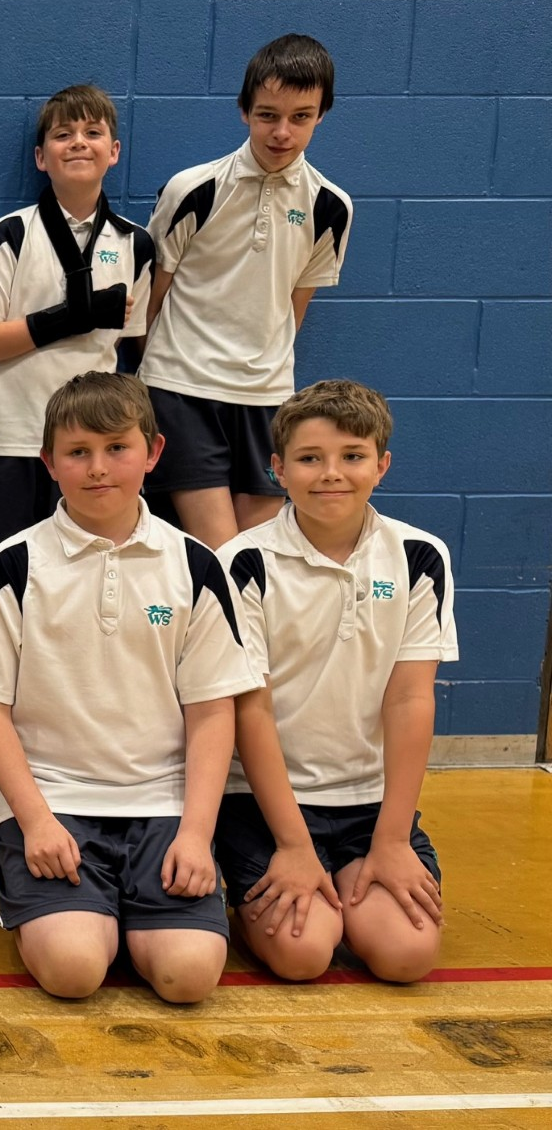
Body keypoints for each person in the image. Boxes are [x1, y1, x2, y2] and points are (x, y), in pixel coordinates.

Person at [0, 372, 260, 1002]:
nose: (97, 468)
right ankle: (68, 906)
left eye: (117, 448)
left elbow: (211, 711)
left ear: (153, 452)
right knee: (74, 970)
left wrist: (196, 833)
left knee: (188, 977)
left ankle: (123, 913)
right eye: (77, 452)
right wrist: (36, 821)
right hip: (53, 803)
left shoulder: (196, 565)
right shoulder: (13, 565)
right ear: (48, 463)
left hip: (163, 806)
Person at [217, 380, 456, 983]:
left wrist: (392, 840)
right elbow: (251, 710)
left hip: (370, 803)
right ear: (278, 469)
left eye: (352, 456)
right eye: (309, 458)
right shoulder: (243, 562)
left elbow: (410, 698)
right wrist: (294, 846)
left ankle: (354, 882)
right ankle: (251, 894)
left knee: (406, 955)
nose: (331, 474)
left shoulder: (420, 556)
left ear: (382, 465)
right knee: (302, 955)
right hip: (263, 803)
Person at [140, 34, 353, 548]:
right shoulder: (193, 189)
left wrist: (262, 368)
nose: (282, 132)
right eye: (267, 115)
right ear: (243, 110)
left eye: (300, 117)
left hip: (267, 398)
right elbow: (152, 298)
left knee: (256, 557)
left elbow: (294, 309)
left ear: (322, 114)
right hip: (182, 388)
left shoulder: (331, 206)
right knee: (220, 551)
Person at [0, 84, 151, 553]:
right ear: (40, 157)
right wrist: (72, 317)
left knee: (90, 561)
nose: (78, 143)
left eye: (92, 132)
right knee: (7, 564)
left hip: (94, 446)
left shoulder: (136, 243)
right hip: (12, 437)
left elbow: (126, 350)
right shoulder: (13, 232)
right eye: (63, 134)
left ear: (114, 151)